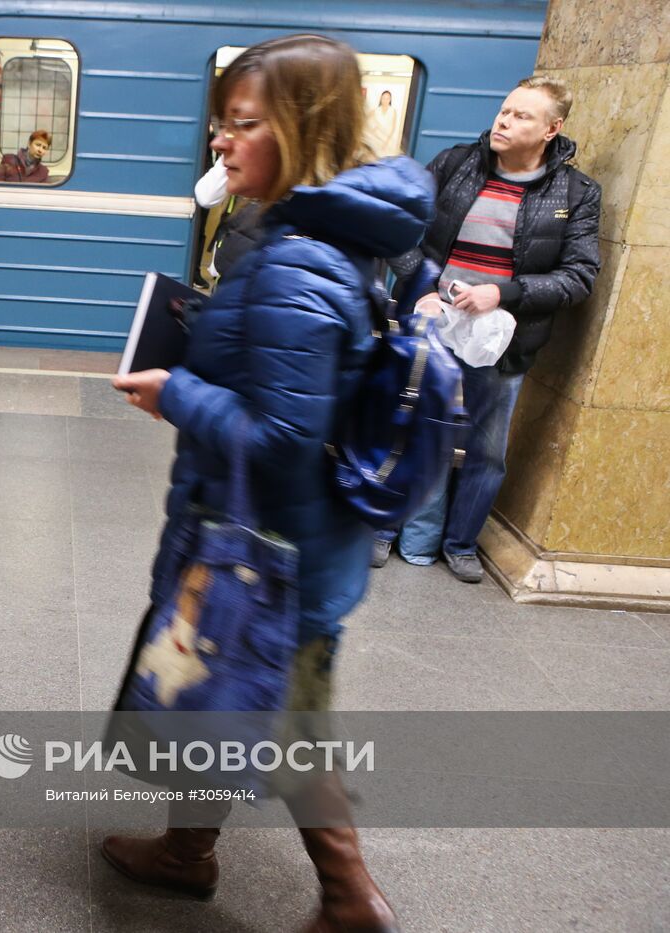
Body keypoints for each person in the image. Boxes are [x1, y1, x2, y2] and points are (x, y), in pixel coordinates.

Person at [106, 35, 433, 932]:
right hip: (292, 535)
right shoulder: (325, 234)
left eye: (243, 125)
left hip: (272, 544)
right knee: (230, 689)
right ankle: (185, 851)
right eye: (221, 124)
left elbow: (285, 435)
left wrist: (180, 392)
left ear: (300, 129)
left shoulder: (294, 260)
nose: (221, 142)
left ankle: (350, 899)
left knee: (286, 721)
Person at [372, 75, 601, 582]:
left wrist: (504, 293)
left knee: (486, 448)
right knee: (409, 427)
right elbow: (397, 228)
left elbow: (579, 275)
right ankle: (386, 528)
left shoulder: (576, 192)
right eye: (505, 110)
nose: (504, 120)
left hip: (504, 342)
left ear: (551, 129)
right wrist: (422, 283)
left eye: (522, 115)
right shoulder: (455, 164)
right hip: (433, 326)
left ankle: (458, 543)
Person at [364, 89, 401, 157]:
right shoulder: (376, 110)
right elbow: (365, 119)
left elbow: (393, 128)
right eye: (383, 98)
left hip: (389, 139)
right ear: (381, 99)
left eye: (387, 98)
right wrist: (373, 130)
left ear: (390, 100)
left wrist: (386, 142)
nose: (385, 100)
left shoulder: (393, 111)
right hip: (377, 139)